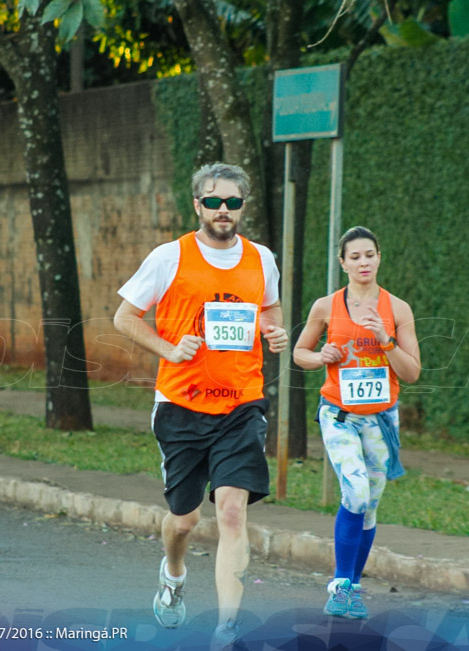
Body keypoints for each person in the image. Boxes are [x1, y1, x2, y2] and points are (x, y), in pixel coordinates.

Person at [113, 163, 288, 648]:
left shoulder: (262, 259)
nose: (223, 210)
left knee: (232, 512)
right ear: (197, 205)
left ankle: (227, 629)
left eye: (233, 202)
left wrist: (274, 331)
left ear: (243, 206)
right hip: (181, 405)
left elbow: (269, 310)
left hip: (242, 404)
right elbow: (125, 316)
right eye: (213, 201)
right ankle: (173, 572)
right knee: (185, 520)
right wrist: (169, 349)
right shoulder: (169, 257)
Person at [292, 226, 421, 619]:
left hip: (381, 421)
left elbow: (412, 372)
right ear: (342, 262)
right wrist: (321, 357)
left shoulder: (397, 309)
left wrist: (386, 340)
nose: (363, 262)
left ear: (379, 257)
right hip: (340, 416)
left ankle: (353, 587)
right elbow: (300, 353)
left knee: (369, 508)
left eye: (369, 255)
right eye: (355, 257)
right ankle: (340, 585)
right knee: (357, 493)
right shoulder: (325, 306)